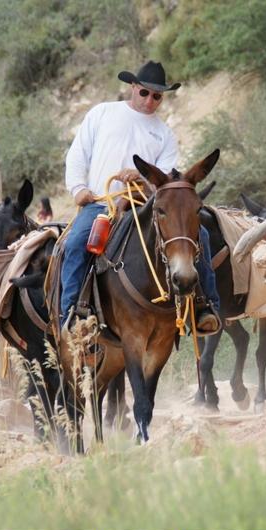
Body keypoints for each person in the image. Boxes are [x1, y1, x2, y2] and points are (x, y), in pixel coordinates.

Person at [60, 60, 220, 332]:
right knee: (75, 243)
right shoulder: (102, 113)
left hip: (145, 205)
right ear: (132, 87)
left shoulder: (164, 135)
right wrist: (78, 189)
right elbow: (78, 154)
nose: (149, 100)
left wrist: (142, 179)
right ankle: (70, 315)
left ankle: (205, 306)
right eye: (144, 92)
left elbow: (166, 184)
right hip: (101, 202)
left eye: (157, 96)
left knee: (199, 236)